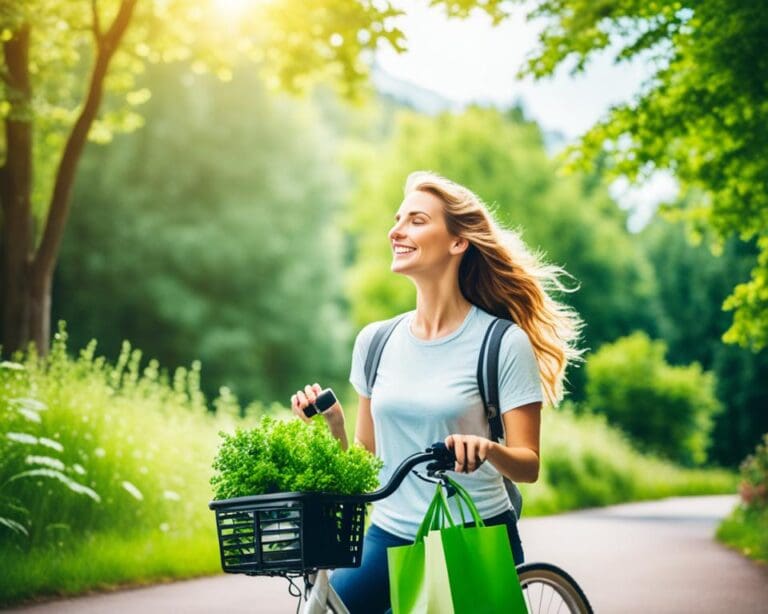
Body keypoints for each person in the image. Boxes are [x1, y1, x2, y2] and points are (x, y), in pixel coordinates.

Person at [290, 171, 584, 614]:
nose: (397, 230)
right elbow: (366, 464)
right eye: (397, 219)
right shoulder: (376, 342)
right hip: (387, 535)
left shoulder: (502, 343)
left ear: (457, 242)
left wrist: (487, 449)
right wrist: (332, 424)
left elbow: (528, 465)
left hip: (472, 532)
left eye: (416, 220)